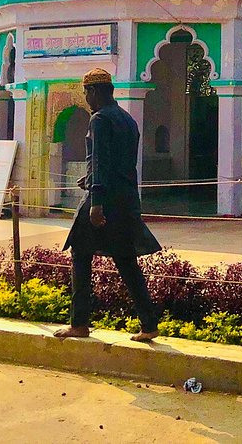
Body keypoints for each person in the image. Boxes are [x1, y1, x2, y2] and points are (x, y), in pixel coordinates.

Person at [55, 68, 161, 343]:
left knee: (80, 253)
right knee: (126, 261)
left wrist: (96, 199)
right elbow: (118, 162)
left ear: (94, 91)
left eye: (86, 92)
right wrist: (90, 178)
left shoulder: (99, 119)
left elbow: (101, 158)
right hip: (125, 199)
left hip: (103, 201)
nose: (86, 99)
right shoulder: (127, 120)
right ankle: (149, 324)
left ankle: (79, 323)